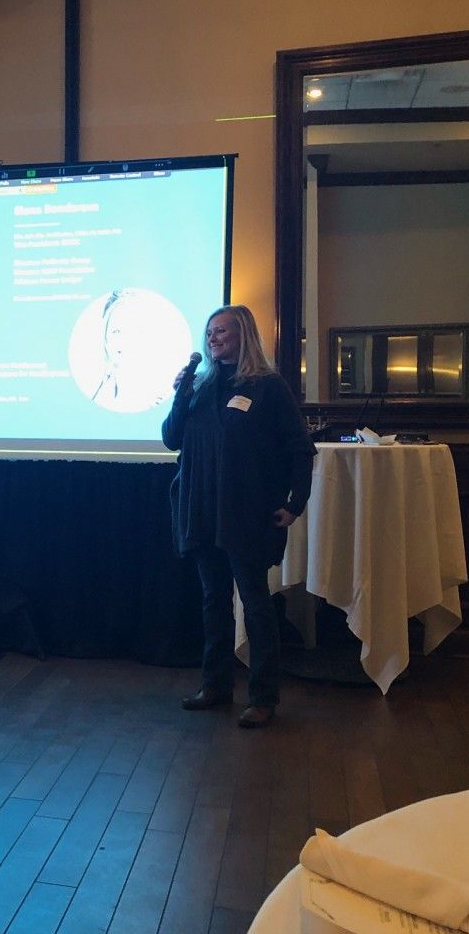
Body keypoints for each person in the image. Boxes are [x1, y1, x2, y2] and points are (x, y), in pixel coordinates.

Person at [160, 305, 316, 728]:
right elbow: (171, 438)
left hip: (246, 514)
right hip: (202, 512)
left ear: (243, 333)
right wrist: (180, 391)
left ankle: (263, 696)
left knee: (254, 602)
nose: (212, 338)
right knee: (213, 601)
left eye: (221, 331)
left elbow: (300, 449)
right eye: (209, 332)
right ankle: (216, 686)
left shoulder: (267, 387)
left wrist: (295, 501)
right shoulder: (202, 386)